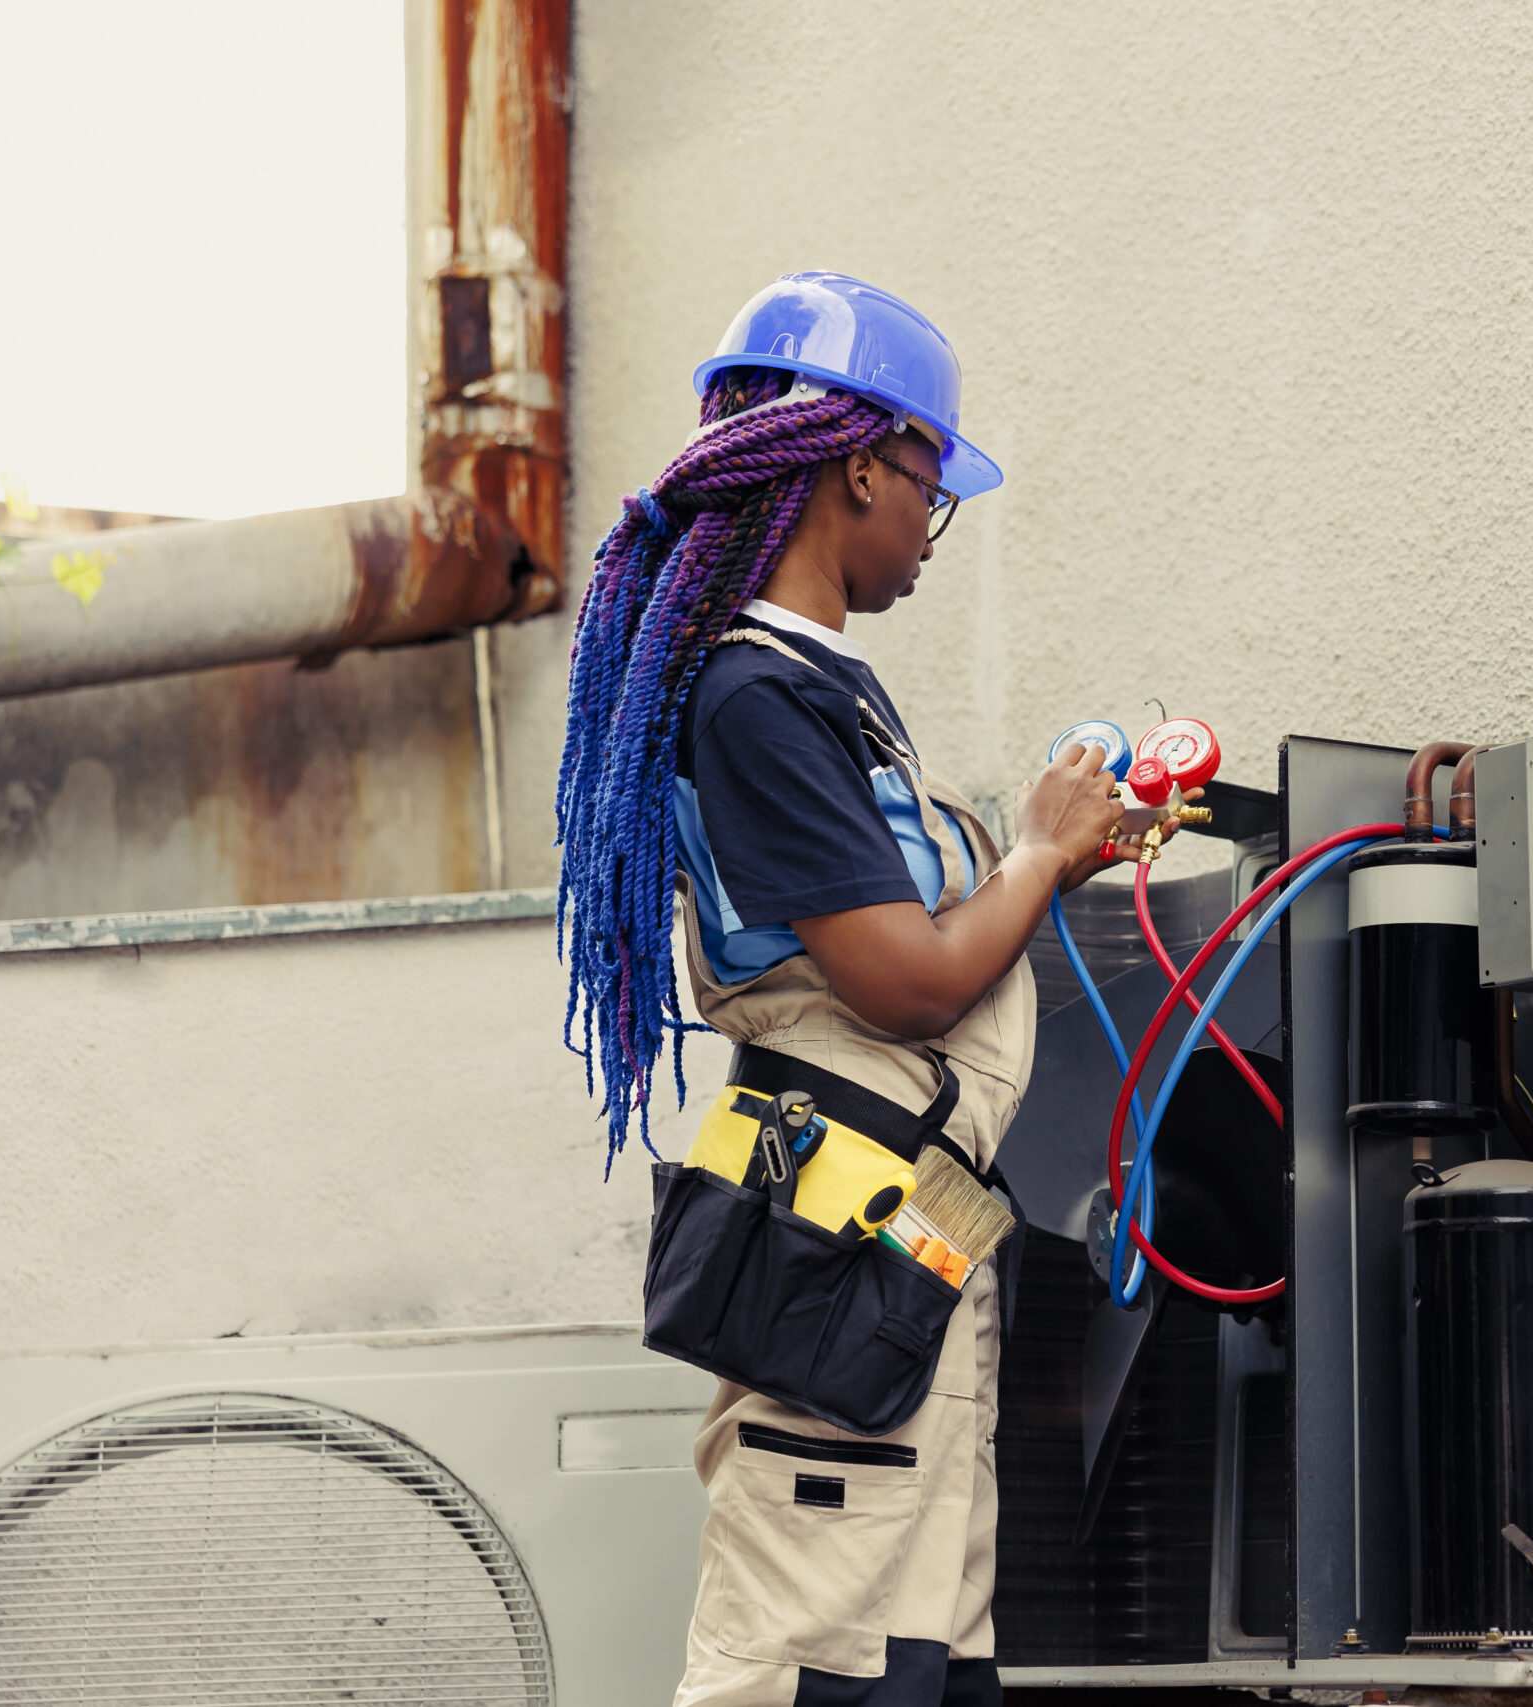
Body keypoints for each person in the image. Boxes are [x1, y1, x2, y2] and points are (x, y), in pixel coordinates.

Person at [557, 272, 1183, 1707]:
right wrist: (1034, 849)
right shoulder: (755, 698)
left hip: (910, 1237)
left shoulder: (820, 690)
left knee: (917, 1670)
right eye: (927, 485)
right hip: (844, 1251)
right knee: (805, 1679)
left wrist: (1055, 861)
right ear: (857, 464)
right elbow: (904, 985)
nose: (928, 523)